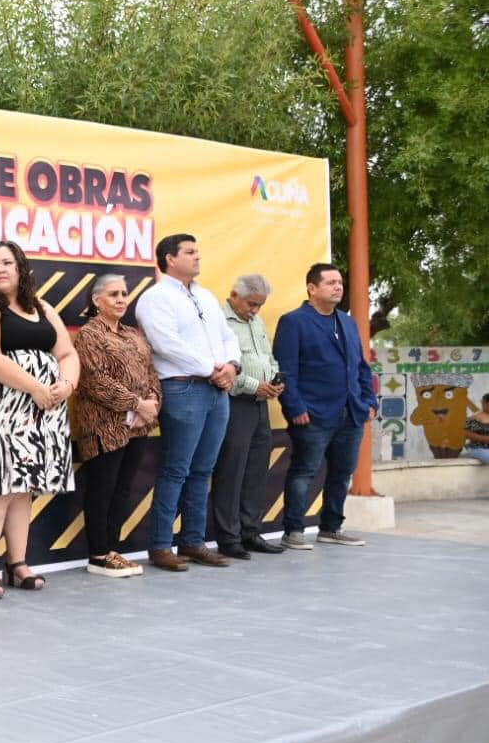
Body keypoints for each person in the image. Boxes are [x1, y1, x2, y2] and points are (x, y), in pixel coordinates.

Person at [0, 241, 78, 597]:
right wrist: (36, 387)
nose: (0, 269)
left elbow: (67, 352)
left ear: (21, 269)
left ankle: (17, 562)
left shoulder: (42, 307)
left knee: (23, 488)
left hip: (39, 414)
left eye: (7, 263)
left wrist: (66, 385)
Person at [135, 233, 241, 571]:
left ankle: (193, 541)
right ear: (170, 259)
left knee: (203, 469)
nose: (197, 257)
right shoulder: (155, 298)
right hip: (183, 389)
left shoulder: (206, 296)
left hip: (216, 391)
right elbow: (166, 344)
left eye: (198, 251)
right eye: (190, 252)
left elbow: (228, 336)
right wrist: (212, 369)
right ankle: (161, 545)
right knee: (176, 469)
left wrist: (232, 366)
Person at [273, 263, 379, 549]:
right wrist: (294, 407)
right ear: (312, 288)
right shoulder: (294, 322)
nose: (338, 287)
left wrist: (369, 401)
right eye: (331, 282)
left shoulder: (347, 322)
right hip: (312, 414)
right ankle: (293, 531)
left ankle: (331, 528)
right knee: (304, 471)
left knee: (342, 473)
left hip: (351, 412)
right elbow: (286, 370)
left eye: (340, 282)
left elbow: (360, 366)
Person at [70, 273, 160, 578]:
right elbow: (95, 381)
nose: (121, 299)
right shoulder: (89, 335)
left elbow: (151, 372)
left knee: (123, 489)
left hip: (138, 426)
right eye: (113, 294)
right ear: (97, 301)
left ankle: (112, 551)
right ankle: (98, 555)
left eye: (124, 293)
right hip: (104, 426)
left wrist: (152, 403)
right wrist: (137, 404)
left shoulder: (133, 334)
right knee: (102, 489)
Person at [209, 274, 286, 560]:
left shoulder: (257, 322)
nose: (255, 310)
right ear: (234, 295)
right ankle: (229, 537)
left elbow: (268, 357)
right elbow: (220, 366)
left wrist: (274, 380)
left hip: (260, 404)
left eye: (260, 305)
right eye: (252, 304)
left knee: (256, 470)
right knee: (232, 471)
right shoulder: (219, 320)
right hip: (234, 402)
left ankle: (250, 532)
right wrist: (255, 385)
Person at [464, 394, 489, 466]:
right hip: (477, 447)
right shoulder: (476, 417)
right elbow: (466, 433)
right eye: (482, 403)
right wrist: (484, 438)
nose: (482, 404)